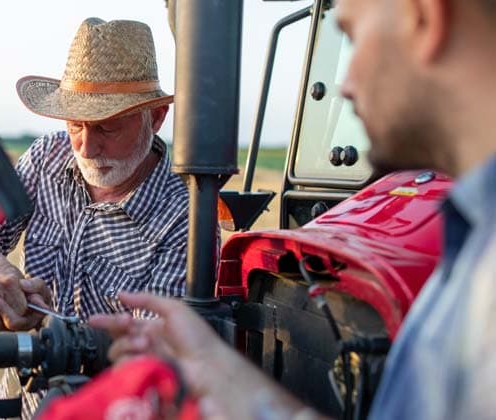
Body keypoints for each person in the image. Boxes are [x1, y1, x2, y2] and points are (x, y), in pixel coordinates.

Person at [91, 0, 496, 418]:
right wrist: (224, 375)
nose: (347, 84)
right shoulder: (473, 242)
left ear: (425, 18)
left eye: (353, 38)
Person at [0, 17, 189, 416]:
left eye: (107, 127)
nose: (87, 147)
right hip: (23, 399)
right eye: (76, 124)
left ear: (156, 117)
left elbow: (149, 357)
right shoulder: (46, 157)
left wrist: (48, 326)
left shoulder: (183, 216)